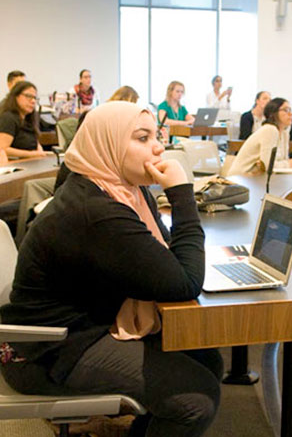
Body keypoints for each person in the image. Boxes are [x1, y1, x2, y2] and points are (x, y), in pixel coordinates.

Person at [0, 101, 222, 437]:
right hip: (49, 349)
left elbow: (166, 260)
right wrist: (181, 193)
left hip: (87, 321)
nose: (159, 146)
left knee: (207, 358)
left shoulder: (122, 189)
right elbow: (184, 281)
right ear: (108, 144)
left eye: (157, 136)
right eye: (142, 138)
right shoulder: (95, 210)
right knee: (195, 398)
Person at [228, 97, 292, 176]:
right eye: (286, 110)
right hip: (242, 177)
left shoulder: (285, 133)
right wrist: (288, 164)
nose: (291, 114)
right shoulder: (270, 130)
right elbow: (267, 165)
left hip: (260, 178)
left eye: (290, 110)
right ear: (273, 113)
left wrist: (289, 163)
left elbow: (283, 160)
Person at [0, 81, 45, 159]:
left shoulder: (28, 118)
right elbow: (3, 149)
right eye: (28, 96)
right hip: (15, 164)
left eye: (35, 98)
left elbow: (34, 143)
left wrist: (40, 152)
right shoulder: (8, 118)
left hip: (31, 162)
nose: (33, 101)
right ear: (16, 96)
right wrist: (32, 154)